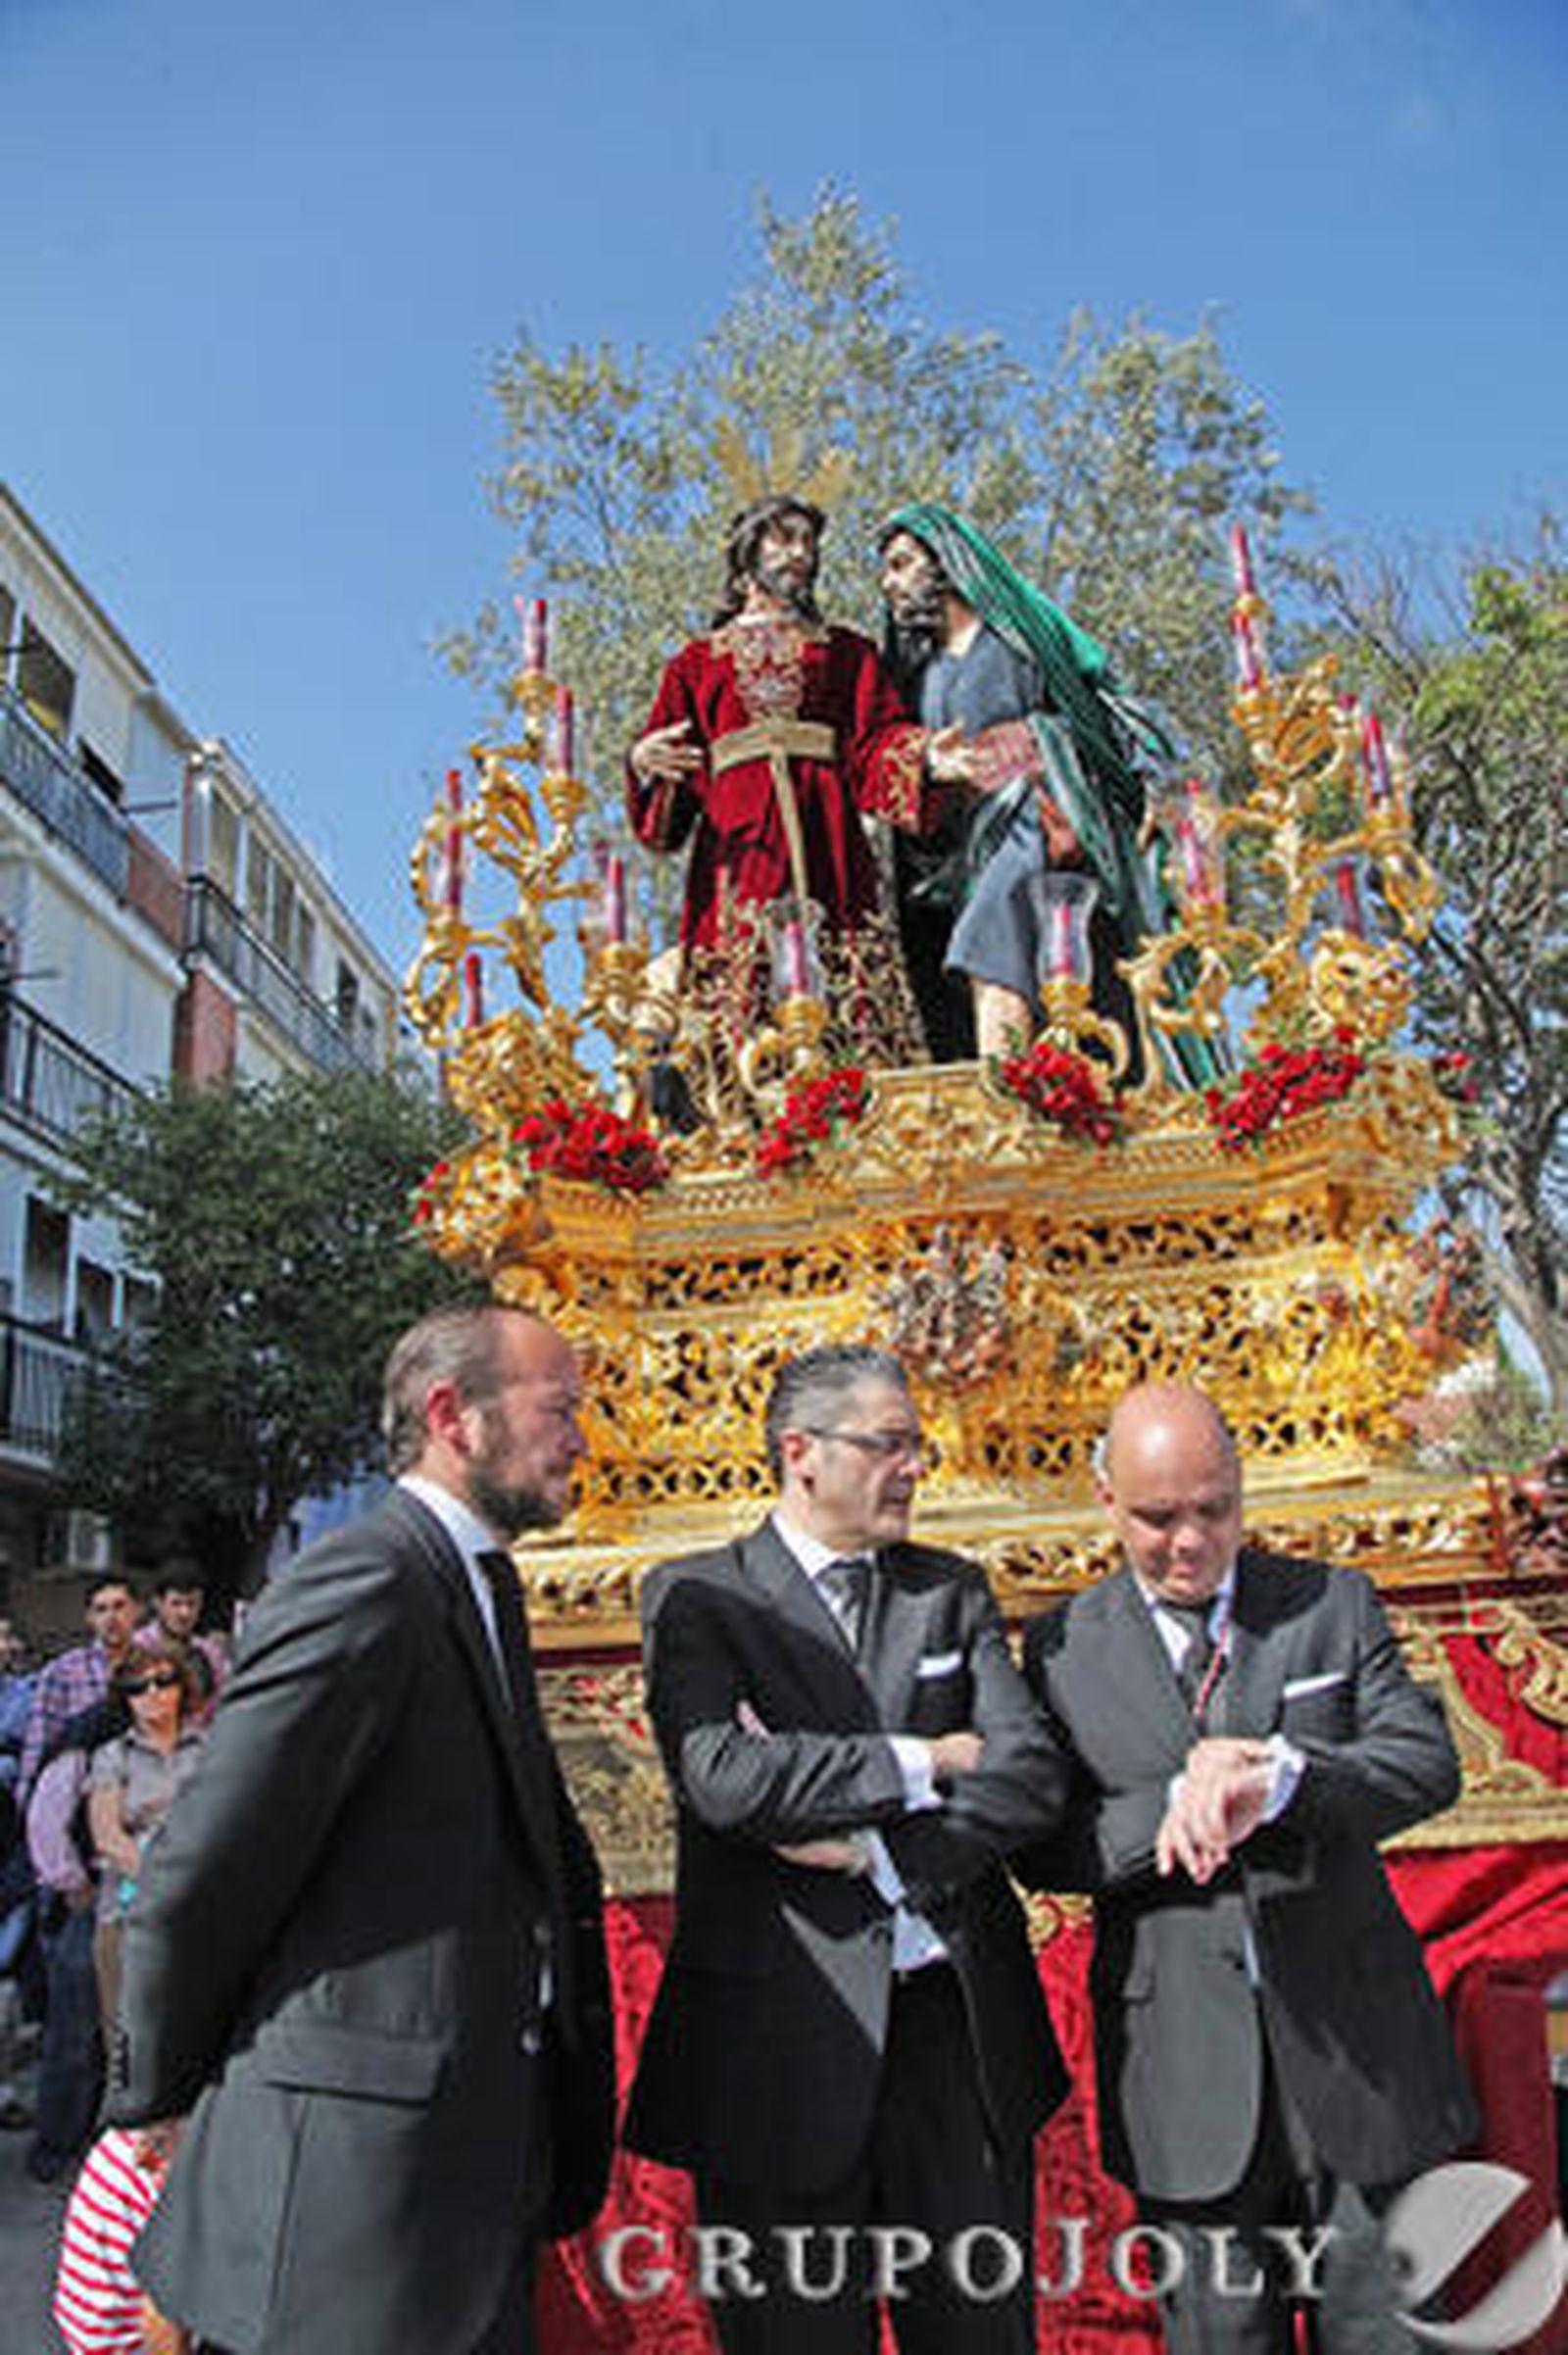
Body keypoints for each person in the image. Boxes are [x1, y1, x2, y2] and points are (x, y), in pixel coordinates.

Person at [105, 1304, 615, 2355]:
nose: (582, 1438)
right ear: (452, 1416)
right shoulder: (366, 1581)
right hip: (355, 2196)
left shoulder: (480, 1586)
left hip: (470, 2171)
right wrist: (158, 2098)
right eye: (558, 1408)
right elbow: (205, 1867)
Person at [624, 1342, 1067, 2352]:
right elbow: (728, 1782)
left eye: (917, 1446)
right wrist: (926, 1758)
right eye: (890, 1445)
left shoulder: (947, 1591)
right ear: (801, 1453)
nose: (915, 1466)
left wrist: (881, 1855)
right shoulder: (699, 1598)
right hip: (779, 2039)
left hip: (952, 2040)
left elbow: (1030, 1775)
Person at [1017, 1382, 1476, 2353]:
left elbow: (1422, 1765)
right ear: (1105, 1499)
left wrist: (1277, 1778)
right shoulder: (1061, 1649)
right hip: (1184, 2075)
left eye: (1212, 1509)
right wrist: (1177, 1804)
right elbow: (1044, 1845)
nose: (1188, 1542)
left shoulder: (1328, 1605)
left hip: (1361, 2064)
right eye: (1156, 1517)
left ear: (1240, 1487)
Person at [626, 495, 971, 1062]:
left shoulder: (847, 651)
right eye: (783, 539)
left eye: (808, 543)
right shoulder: (694, 664)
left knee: (848, 992)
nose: (800, 554)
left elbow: (874, 741)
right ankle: (735, 1113)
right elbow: (664, 808)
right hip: (738, 849)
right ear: (746, 554)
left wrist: (927, 756)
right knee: (737, 986)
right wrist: (643, 764)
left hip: (826, 840)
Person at [878, 502, 1176, 1063]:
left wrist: (1151, 775)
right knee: (1000, 957)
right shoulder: (920, 673)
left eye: (900, 564)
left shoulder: (1019, 632)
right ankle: (1027, 1082)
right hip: (968, 842)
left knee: (987, 941)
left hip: (1038, 812)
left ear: (943, 561)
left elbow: (1104, 696)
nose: (888, 584)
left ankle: (1004, 1095)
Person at [87, 1641, 206, 2043]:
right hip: (129, 1909)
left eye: (163, 1681)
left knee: (195, 2033)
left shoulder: (211, 1751)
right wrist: (162, 1882)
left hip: (200, 1906)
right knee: (127, 2041)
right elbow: (107, 1836)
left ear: (182, 1688)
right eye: (139, 1687)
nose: (152, 1693)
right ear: (126, 1699)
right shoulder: (111, 1755)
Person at [17, 1576, 139, 1799]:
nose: (111, 1618)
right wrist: (27, 1802)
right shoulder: (63, 1670)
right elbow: (39, 1742)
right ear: (89, 1619)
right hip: (79, 1791)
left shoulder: (156, 1666)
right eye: (101, 1610)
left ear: (136, 1611)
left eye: (119, 1606)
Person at [133, 1568, 227, 1717]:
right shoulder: (137, 1646)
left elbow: (218, 1705)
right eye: (176, 1604)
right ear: (158, 1603)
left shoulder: (211, 1652)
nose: (185, 1613)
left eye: (192, 1604)